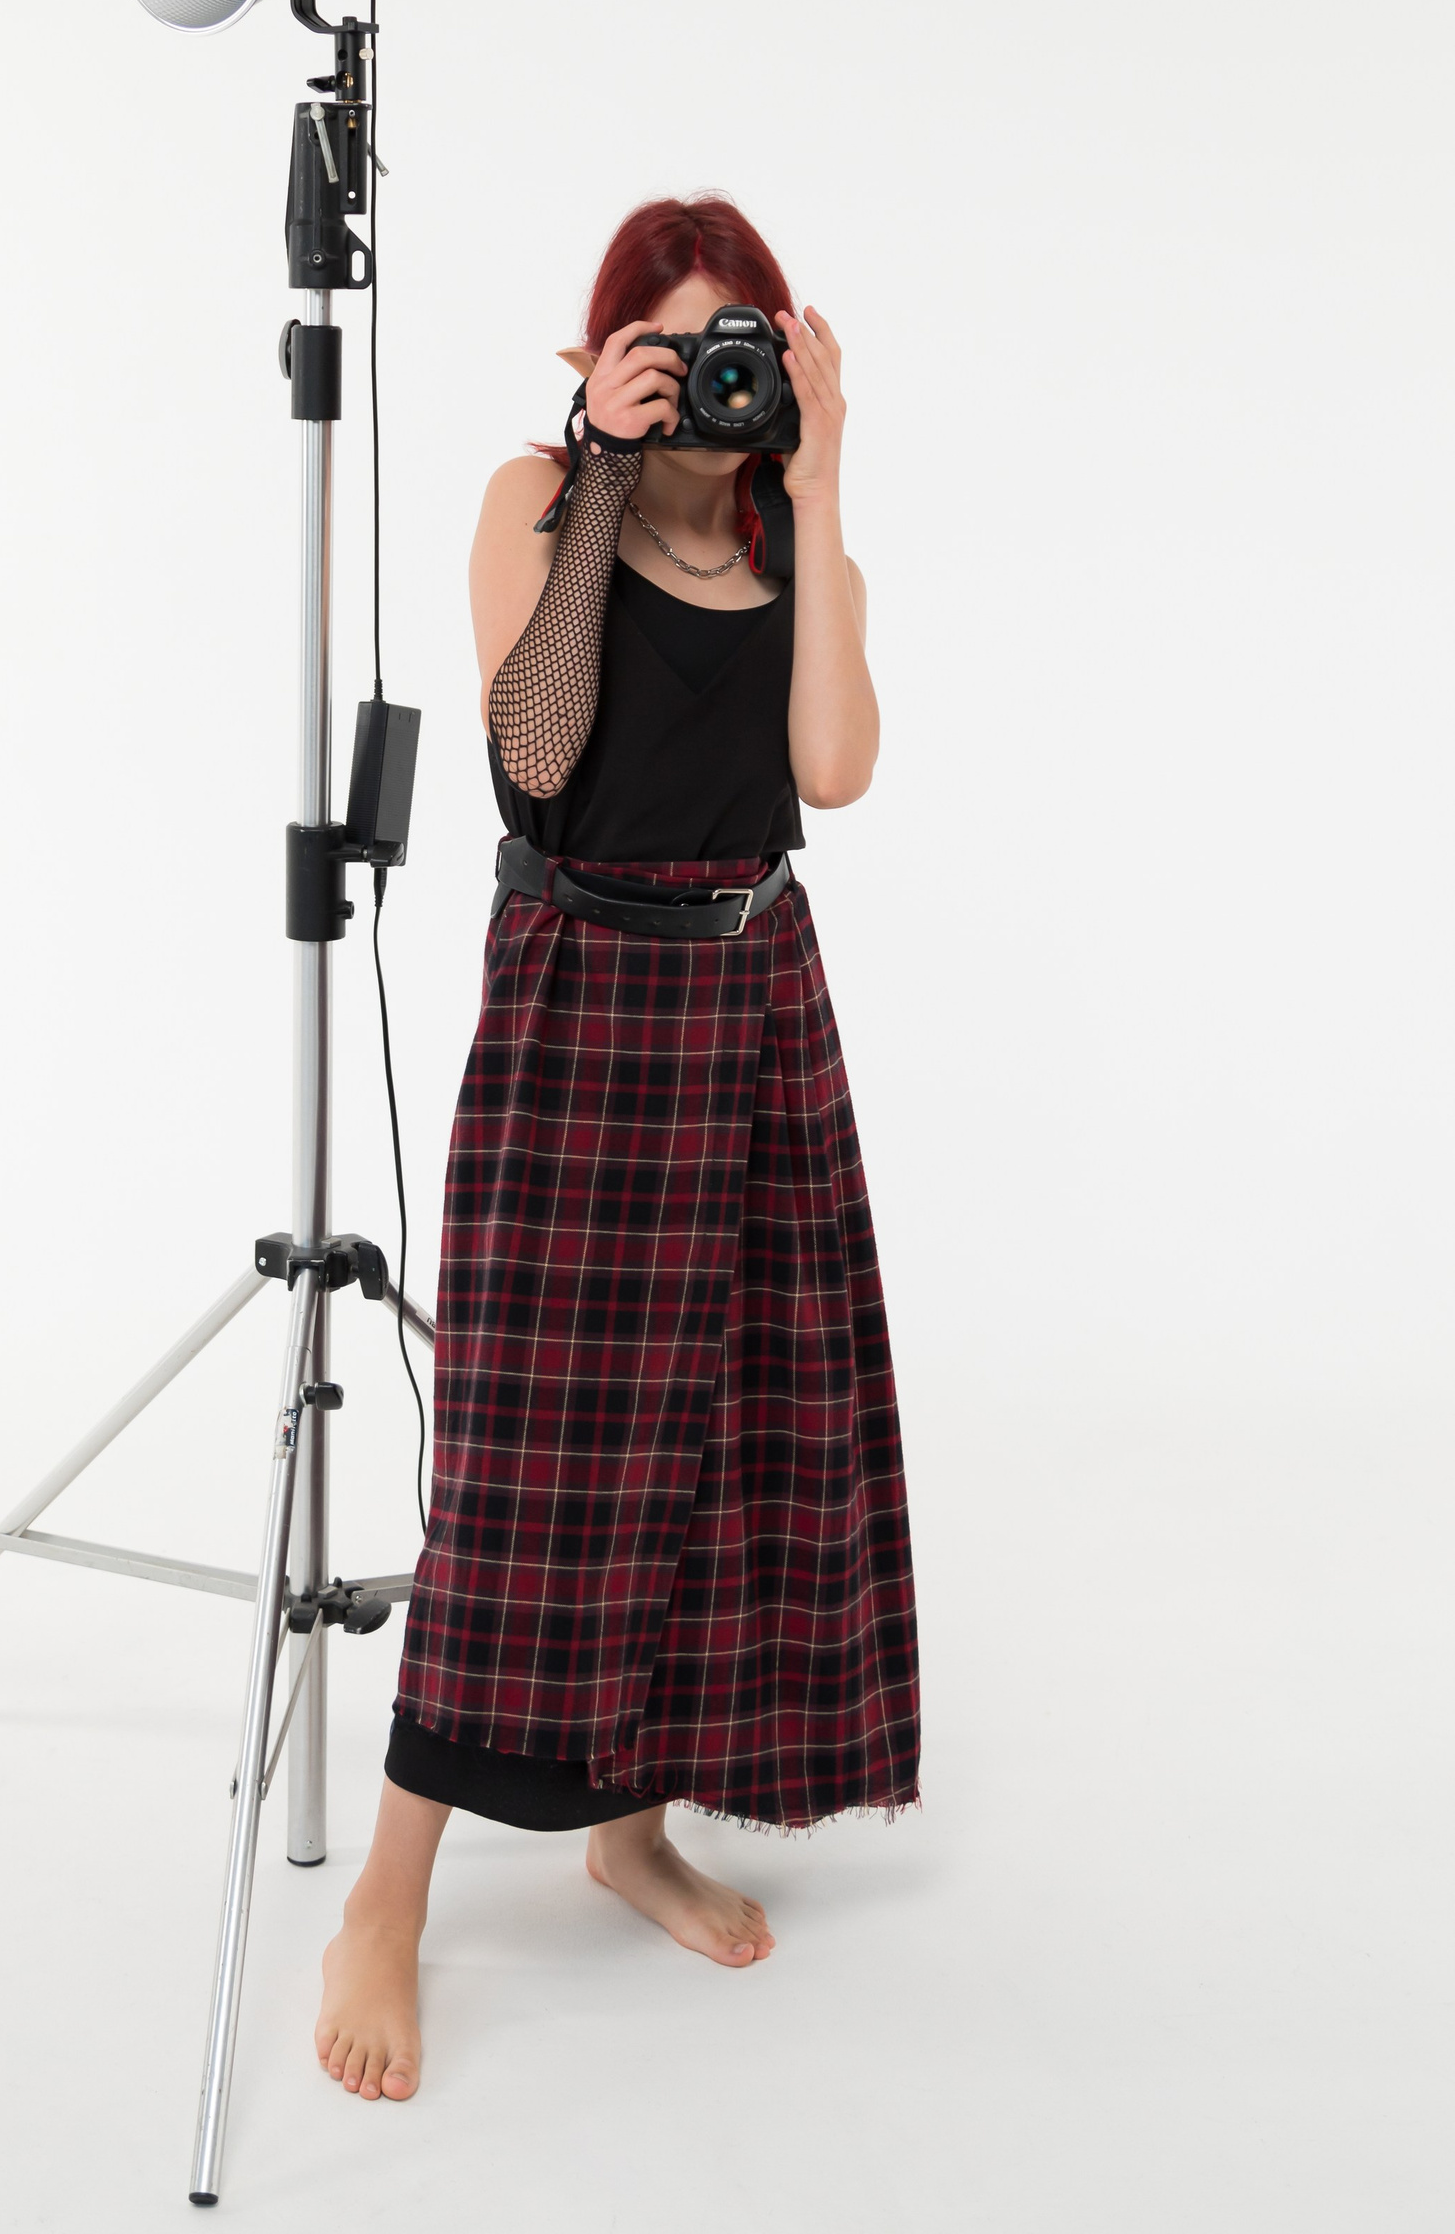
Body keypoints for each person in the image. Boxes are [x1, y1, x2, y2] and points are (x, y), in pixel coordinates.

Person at [315, 195, 921, 2102]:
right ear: (600, 359)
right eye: (676, 346)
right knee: (527, 1467)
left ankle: (628, 1830)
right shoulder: (534, 498)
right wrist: (593, 472)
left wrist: (822, 487)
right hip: (581, 1010)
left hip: (755, 1006)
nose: (713, 378)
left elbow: (833, 773)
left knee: (721, 1438)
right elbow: (535, 749)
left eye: (746, 343)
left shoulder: (789, 537)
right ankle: (388, 1898)